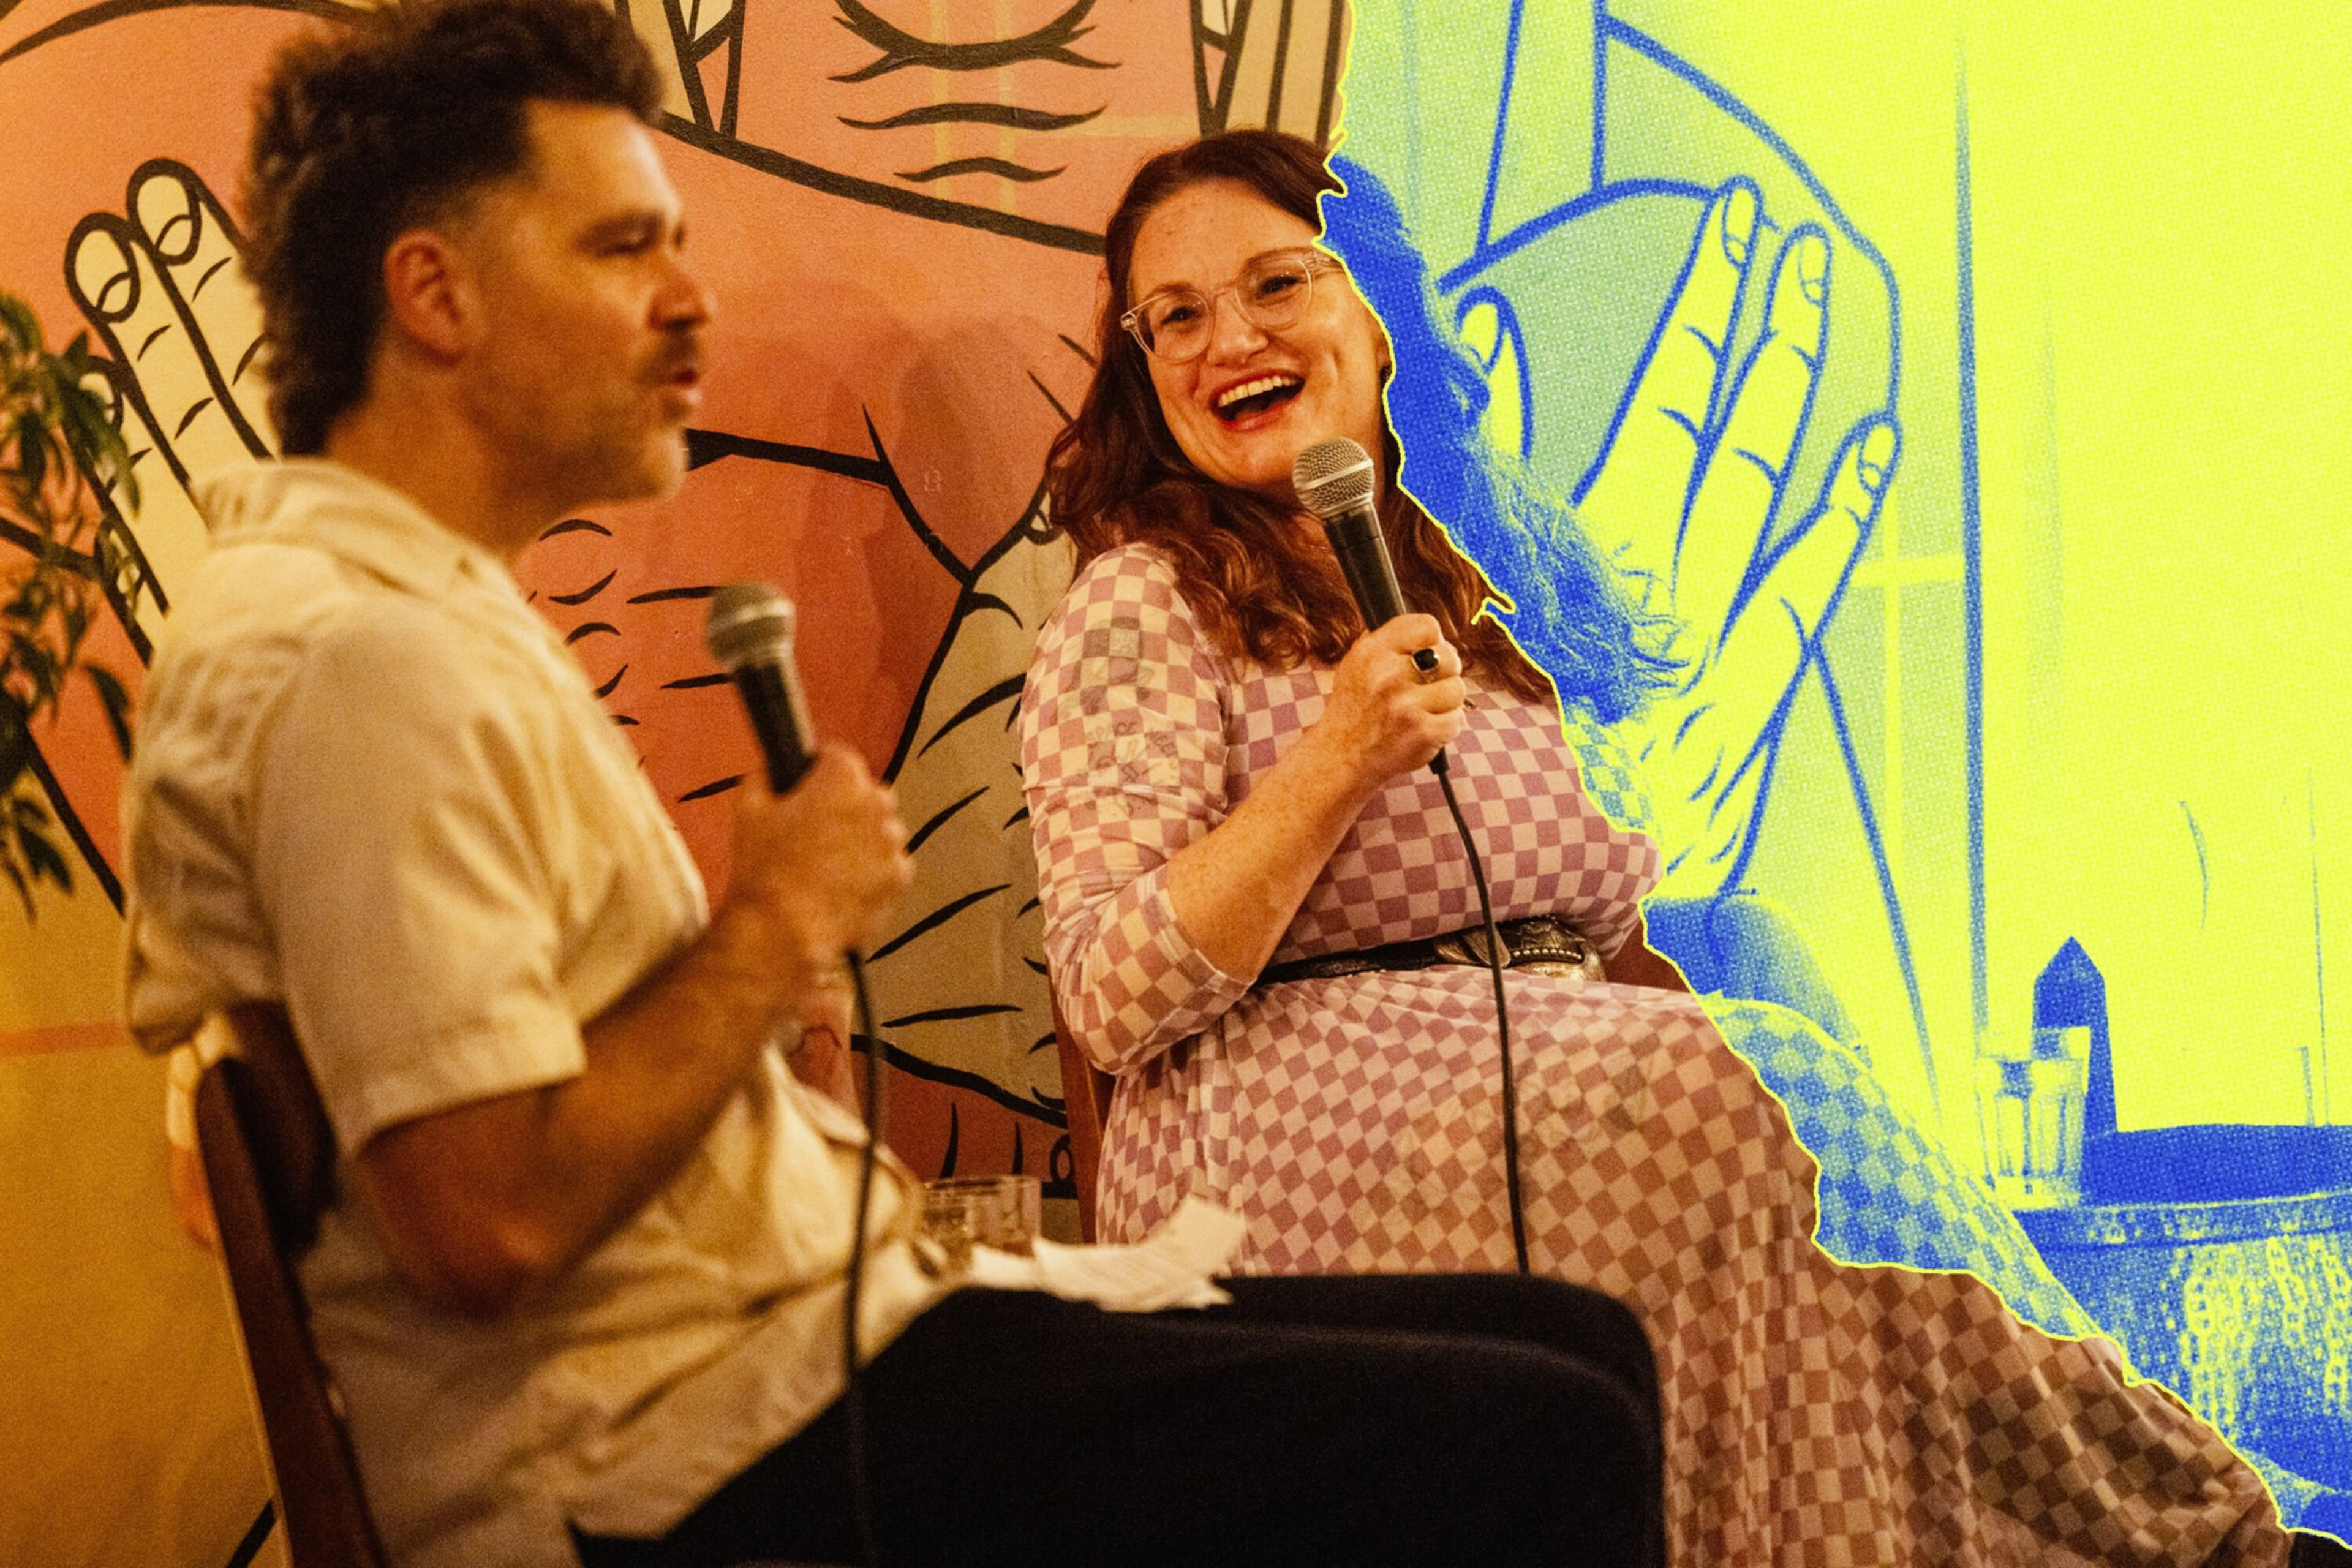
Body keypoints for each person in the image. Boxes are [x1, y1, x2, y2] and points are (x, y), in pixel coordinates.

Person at [119, 6, 1675, 1566]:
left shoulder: (425, 624)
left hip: (789, 1349)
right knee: (1552, 1421)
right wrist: (774, 926)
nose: (686, 301)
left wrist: (765, 1075)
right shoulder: (355, 663)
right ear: (435, 296)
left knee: (1579, 1344)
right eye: (621, 248)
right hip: (676, 1449)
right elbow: (486, 1222)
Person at [1020, 128, 2294, 1566]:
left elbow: (1609, 884)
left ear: (1376, 310)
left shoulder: (1493, 556)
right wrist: (1330, 764)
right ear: (1141, 368)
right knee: (1736, 1094)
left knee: (1783, 1053)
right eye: (1173, 317)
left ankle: (2168, 1511)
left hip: (1551, 1069)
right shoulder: (1145, 604)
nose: (1225, 339)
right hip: (1271, 1123)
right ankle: (2192, 1528)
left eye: (1274, 284)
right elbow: (1114, 990)